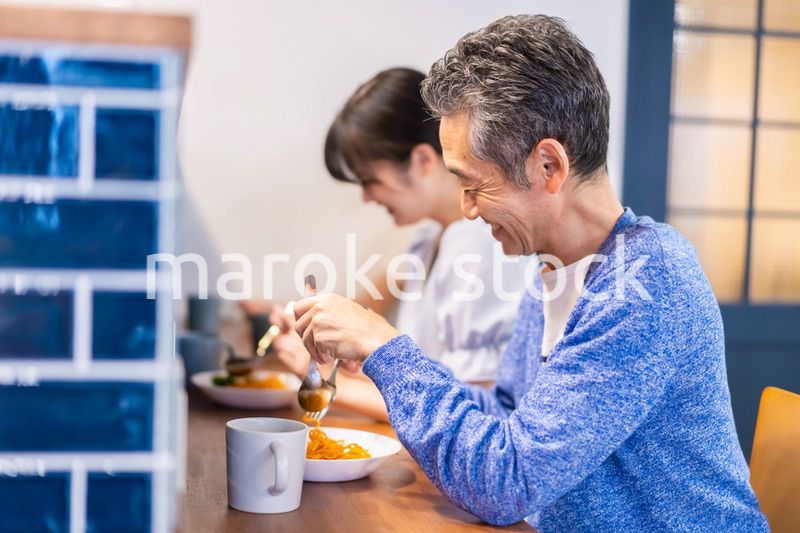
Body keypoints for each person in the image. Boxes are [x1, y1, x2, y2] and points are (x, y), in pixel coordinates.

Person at [290, 15, 769, 532]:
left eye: (473, 184)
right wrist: (374, 356)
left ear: (549, 166)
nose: (467, 210)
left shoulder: (645, 280)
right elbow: (507, 411)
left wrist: (386, 348)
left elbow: (507, 484)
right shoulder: (554, 268)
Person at [270, 67, 529, 422]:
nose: (366, 197)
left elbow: (470, 415)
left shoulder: (482, 246)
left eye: (370, 181)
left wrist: (318, 377)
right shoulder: (430, 238)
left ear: (423, 160)